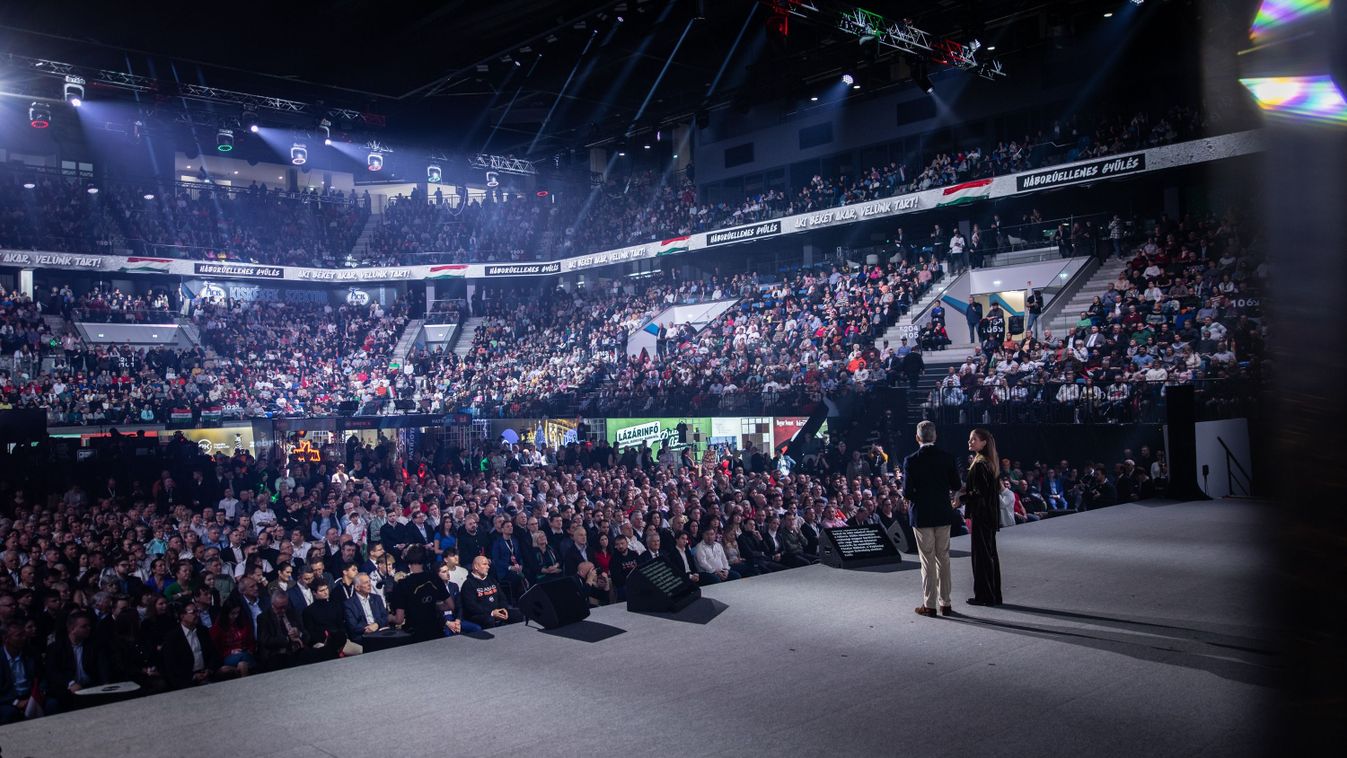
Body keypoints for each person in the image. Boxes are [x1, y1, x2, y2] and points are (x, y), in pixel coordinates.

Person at [902, 420, 963, 618]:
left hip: (922, 515)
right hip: (942, 513)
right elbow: (955, 484)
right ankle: (946, 603)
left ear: (917, 437)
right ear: (935, 437)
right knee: (943, 557)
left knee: (927, 560)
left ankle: (930, 605)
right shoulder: (947, 457)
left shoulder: (911, 460)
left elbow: (907, 492)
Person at [962, 428, 1004, 606]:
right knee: (989, 555)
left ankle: (985, 596)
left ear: (983, 443)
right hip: (989, 516)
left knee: (982, 557)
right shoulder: (989, 462)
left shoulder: (980, 464)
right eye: (970, 439)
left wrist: (961, 499)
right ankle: (993, 594)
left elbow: (978, 494)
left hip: (982, 516)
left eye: (973, 439)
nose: (970, 442)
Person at [459, 556, 521, 629]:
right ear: (476, 567)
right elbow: (472, 607)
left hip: (497, 611)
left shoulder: (492, 580)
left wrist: (503, 608)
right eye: (484, 564)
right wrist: (491, 612)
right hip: (479, 615)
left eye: (488, 565)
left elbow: (502, 597)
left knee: (517, 614)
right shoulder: (468, 584)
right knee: (489, 620)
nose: (488, 567)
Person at [343, 573, 389, 643]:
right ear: (357, 587)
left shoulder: (377, 598)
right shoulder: (349, 604)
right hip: (363, 636)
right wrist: (370, 628)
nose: (369, 584)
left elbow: (385, 617)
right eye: (366, 583)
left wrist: (377, 624)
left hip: (380, 632)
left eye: (369, 581)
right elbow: (353, 626)